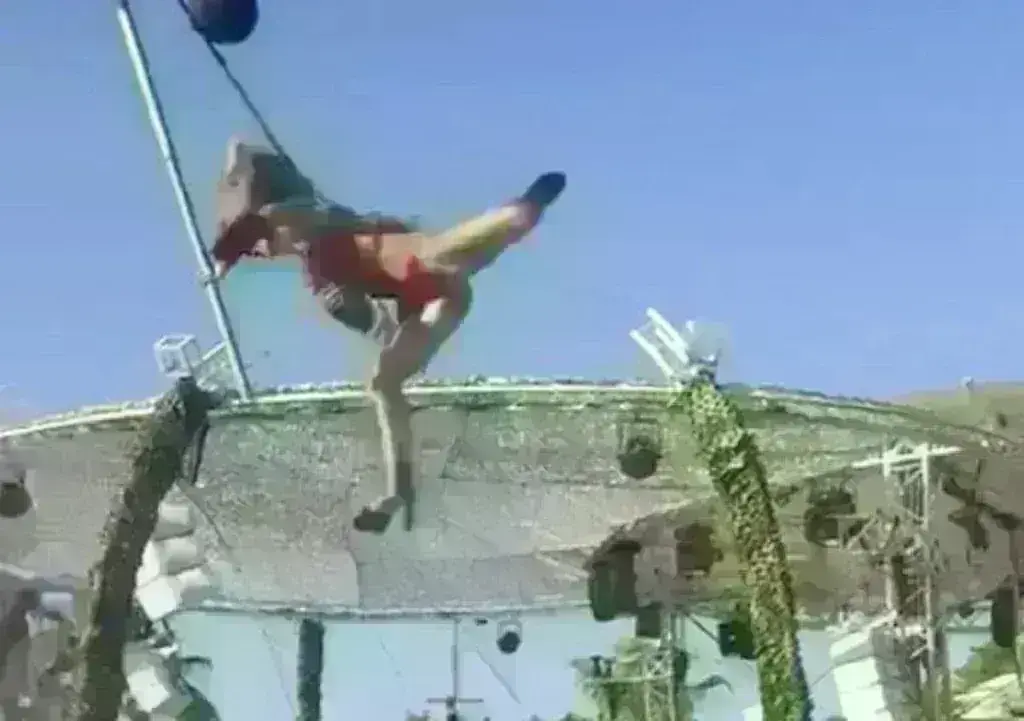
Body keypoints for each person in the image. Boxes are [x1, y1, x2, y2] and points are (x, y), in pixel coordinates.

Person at [210, 138, 566, 533]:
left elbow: (245, 158)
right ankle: (399, 491)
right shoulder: (315, 255)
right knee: (384, 383)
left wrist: (227, 245)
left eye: (267, 245)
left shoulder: (312, 222)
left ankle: (514, 217)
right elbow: (360, 313)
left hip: (415, 266)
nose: (270, 252)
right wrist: (231, 253)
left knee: (445, 257)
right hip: (435, 300)